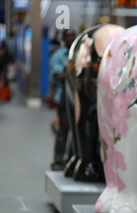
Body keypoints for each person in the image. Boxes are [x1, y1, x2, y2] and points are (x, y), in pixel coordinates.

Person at [50, 29, 76, 170]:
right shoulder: (59, 56)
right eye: (68, 36)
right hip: (64, 97)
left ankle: (71, 159)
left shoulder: (79, 54)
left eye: (73, 35)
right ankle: (58, 160)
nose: (71, 38)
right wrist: (73, 73)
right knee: (63, 129)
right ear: (63, 39)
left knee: (76, 131)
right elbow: (59, 75)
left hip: (78, 99)